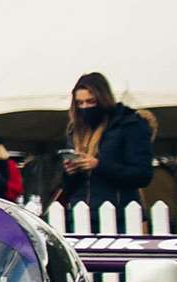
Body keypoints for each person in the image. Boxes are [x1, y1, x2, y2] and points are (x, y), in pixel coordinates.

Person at [57, 72, 155, 222]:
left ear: (103, 99)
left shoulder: (130, 124)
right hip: (80, 213)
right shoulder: (75, 130)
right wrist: (70, 171)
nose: (85, 107)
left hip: (119, 215)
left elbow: (142, 175)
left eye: (90, 101)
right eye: (80, 103)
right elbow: (67, 187)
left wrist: (98, 165)